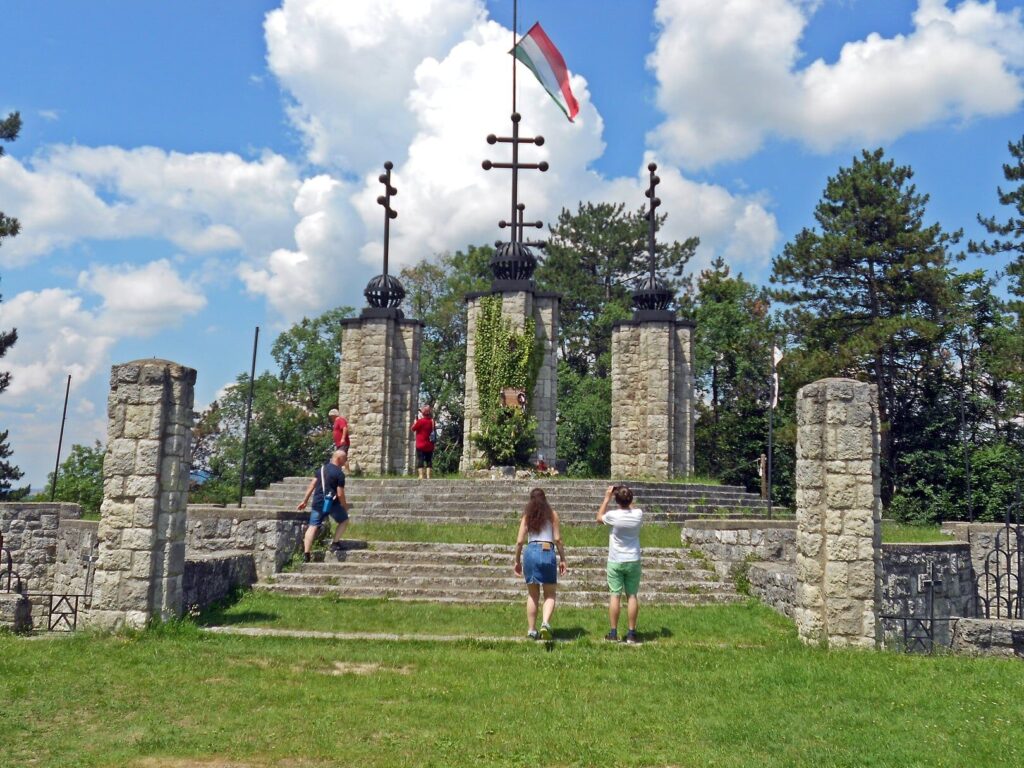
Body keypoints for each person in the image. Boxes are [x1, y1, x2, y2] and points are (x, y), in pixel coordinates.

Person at [513, 488, 567, 640]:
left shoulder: (527, 516)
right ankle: (545, 623)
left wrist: (517, 560)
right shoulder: (552, 515)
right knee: (550, 593)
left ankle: (531, 630)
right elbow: (558, 539)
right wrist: (563, 559)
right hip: (547, 550)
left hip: (531, 551)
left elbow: (519, 541)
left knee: (533, 594)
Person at [597, 484, 643, 644]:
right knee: (632, 596)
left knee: (615, 595)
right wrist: (626, 494)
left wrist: (607, 498)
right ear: (630, 499)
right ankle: (631, 633)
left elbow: (599, 518)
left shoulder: (613, 516)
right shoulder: (638, 514)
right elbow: (632, 507)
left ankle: (613, 632)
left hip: (616, 559)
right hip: (633, 559)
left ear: (616, 500)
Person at [297, 449, 350, 562]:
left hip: (318, 502)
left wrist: (305, 501)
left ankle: (306, 554)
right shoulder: (339, 474)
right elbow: (340, 494)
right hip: (332, 503)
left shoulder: (321, 469)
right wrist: (344, 506)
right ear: (339, 459)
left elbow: (312, 485)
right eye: (345, 458)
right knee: (344, 520)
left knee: (313, 526)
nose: (346, 461)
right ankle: (335, 543)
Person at [409, 405, 436, 480]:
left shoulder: (420, 421)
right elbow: (434, 431)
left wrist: (415, 422)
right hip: (430, 444)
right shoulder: (432, 421)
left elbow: (413, 429)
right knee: (429, 460)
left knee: (420, 459)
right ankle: (428, 476)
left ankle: (421, 475)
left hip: (420, 444)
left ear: (423, 413)